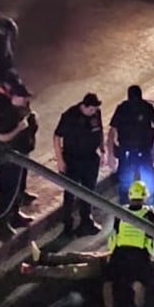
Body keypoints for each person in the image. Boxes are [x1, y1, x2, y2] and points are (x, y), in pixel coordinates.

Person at [53, 93, 105, 237]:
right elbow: (57, 136)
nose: (93, 113)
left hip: (90, 158)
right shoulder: (70, 116)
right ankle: (67, 225)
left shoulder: (96, 113)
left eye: (95, 110)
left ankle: (86, 221)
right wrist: (60, 160)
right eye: (91, 110)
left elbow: (99, 131)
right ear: (84, 106)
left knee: (89, 191)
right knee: (70, 193)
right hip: (72, 159)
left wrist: (102, 150)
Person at [102, 180, 154, 307]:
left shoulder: (121, 212)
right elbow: (150, 238)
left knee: (108, 282)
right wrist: (150, 257)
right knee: (138, 283)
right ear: (144, 197)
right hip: (139, 253)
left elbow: (115, 235)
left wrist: (111, 253)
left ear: (130, 196)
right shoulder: (149, 215)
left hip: (120, 252)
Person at [107, 85, 154, 206]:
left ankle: (147, 210)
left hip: (143, 151)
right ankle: (127, 210)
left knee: (147, 183)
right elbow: (112, 132)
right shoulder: (123, 109)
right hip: (129, 151)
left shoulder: (145, 107)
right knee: (127, 183)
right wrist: (110, 154)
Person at [0, 83, 38, 234]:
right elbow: (1, 137)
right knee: (8, 192)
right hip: (9, 159)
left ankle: (15, 215)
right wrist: (19, 128)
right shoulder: (9, 114)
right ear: (15, 97)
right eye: (23, 97)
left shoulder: (24, 110)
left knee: (18, 189)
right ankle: (3, 224)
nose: (26, 99)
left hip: (21, 157)